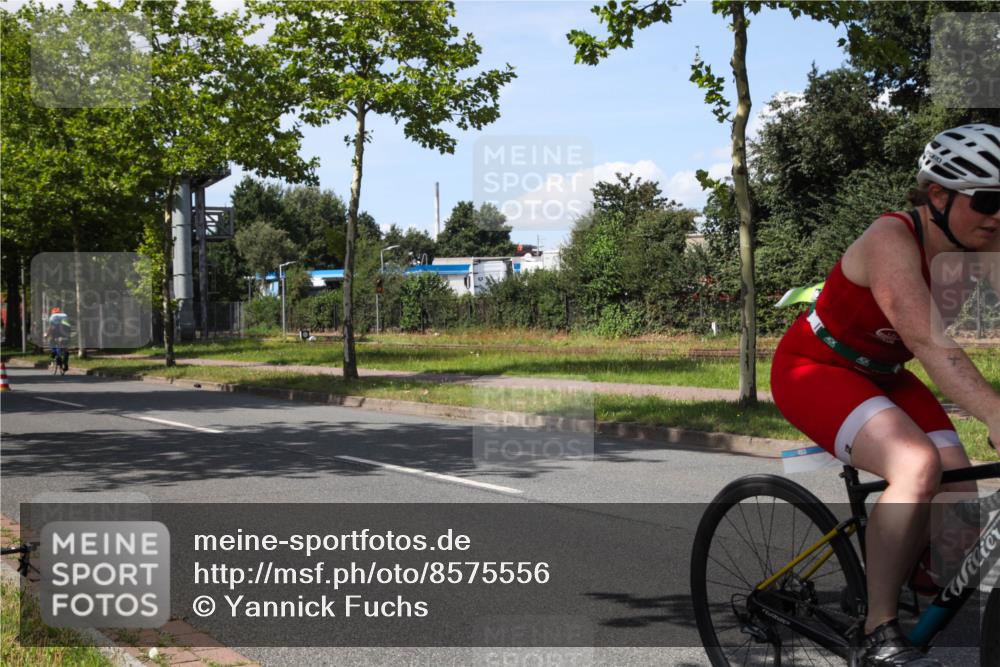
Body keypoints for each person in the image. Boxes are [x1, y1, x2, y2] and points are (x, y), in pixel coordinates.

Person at [770, 124, 1000, 666]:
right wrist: (994, 413)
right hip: (817, 366)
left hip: (886, 373)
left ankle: (903, 568)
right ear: (937, 195)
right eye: (987, 200)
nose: (999, 216)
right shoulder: (890, 240)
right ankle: (878, 628)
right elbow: (930, 343)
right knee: (917, 465)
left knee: (958, 490)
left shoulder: (985, 243)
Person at [44, 307, 72, 373]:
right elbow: (69, 327)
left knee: (51, 340)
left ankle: (54, 352)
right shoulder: (65, 316)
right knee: (65, 349)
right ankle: (65, 364)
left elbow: (50, 328)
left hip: (56, 333)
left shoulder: (53, 317)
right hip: (65, 333)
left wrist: (46, 335)